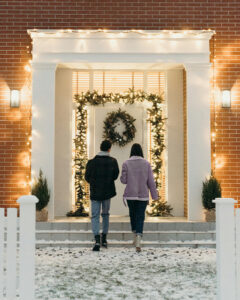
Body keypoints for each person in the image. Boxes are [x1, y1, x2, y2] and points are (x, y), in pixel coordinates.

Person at [120, 143, 158, 252]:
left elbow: (124, 180)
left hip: (130, 195)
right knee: (140, 216)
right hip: (143, 195)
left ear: (131, 151)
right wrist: (154, 195)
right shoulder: (146, 164)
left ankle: (135, 236)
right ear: (141, 151)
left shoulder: (126, 163)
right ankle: (138, 240)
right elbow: (151, 181)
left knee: (132, 215)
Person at [85, 140, 119, 251]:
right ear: (109, 149)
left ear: (100, 148)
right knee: (105, 214)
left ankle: (97, 239)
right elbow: (115, 175)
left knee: (95, 216)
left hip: (95, 192)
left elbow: (87, 177)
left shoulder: (91, 162)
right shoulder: (113, 161)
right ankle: (104, 238)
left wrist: (94, 182)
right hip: (107, 191)